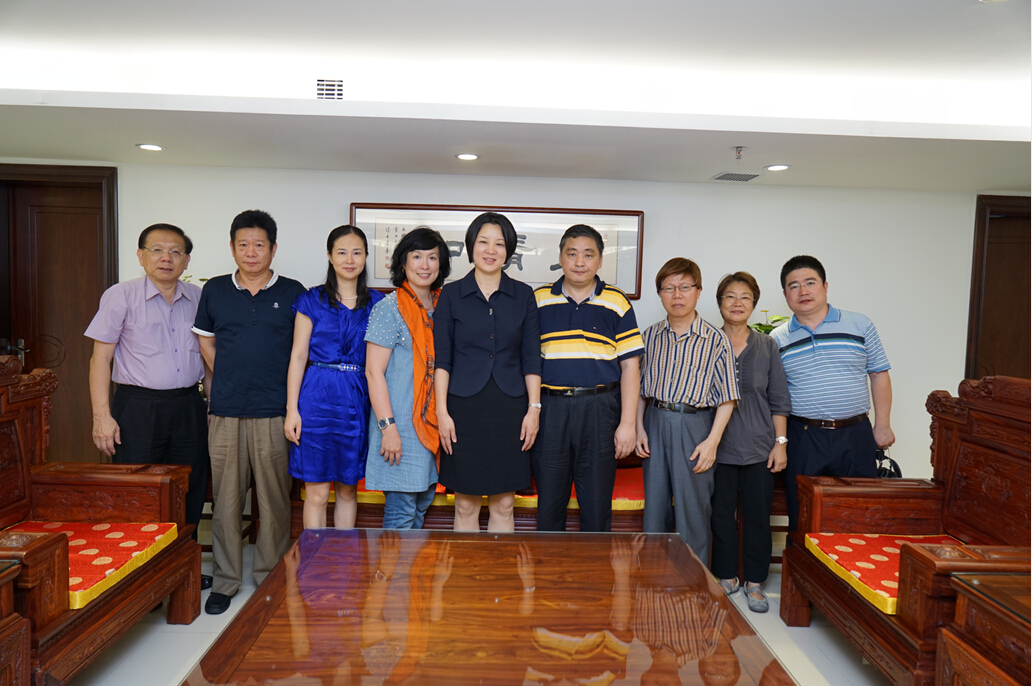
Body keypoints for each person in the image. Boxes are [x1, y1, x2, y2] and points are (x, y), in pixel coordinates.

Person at [85, 223, 212, 589]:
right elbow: (100, 359)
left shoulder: (199, 298)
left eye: (175, 251)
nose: (166, 258)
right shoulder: (120, 296)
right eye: (157, 250)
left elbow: (208, 359)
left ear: (187, 259)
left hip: (188, 404)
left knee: (190, 487)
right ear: (141, 256)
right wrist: (101, 416)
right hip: (137, 407)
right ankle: (140, 579)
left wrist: (212, 407)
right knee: (138, 491)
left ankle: (183, 570)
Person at [192, 209, 306, 615]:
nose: (251, 252)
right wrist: (228, 378)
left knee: (274, 500)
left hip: (275, 411)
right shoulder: (215, 290)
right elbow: (206, 344)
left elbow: (301, 351)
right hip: (226, 410)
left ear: (273, 249)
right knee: (226, 498)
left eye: (259, 244)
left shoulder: (294, 292)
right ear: (232, 247)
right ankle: (225, 581)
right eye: (243, 244)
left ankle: (270, 577)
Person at [770, 255, 894, 537]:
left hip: (855, 434)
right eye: (794, 286)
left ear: (825, 286)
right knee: (803, 516)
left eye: (810, 283)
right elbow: (776, 395)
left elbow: (878, 374)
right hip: (803, 436)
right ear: (785, 295)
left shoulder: (860, 324)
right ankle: (803, 566)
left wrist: (883, 425)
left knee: (858, 515)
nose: (803, 291)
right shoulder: (777, 339)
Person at [434, 212, 542, 531]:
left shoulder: (523, 295)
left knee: (505, 503)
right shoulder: (451, 295)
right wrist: (442, 412)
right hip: (463, 408)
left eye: (499, 243)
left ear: (509, 251)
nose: (490, 250)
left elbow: (531, 358)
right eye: (483, 242)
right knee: (465, 504)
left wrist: (534, 409)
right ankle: (467, 568)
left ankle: (500, 567)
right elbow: (443, 360)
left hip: (510, 408)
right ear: (471, 246)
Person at [533, 224, 643, 533]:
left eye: (588, 254)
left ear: (600, 260)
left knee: (596, 508)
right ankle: (548, 566)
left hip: (600, 409)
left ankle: (596, 567)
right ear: (560, 258)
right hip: (550, 410)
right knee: (549, 506)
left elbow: (630, 367)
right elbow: (527, 363)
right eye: (572, 254)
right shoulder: (539, 300)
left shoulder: (617, 301)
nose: (579, 262)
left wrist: (628, 424)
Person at [635, 257, 738, 564]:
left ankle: (694, 582)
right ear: (660, 293)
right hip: (655, 422)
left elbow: (728, 398)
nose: (677, 295)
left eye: (684, 287)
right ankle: (653, 577)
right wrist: (639, 428)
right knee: (655, 510)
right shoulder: (649, 336)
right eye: (669, 288)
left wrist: (712, 442)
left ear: (698, 291)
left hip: (696, 426)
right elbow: (639, 390)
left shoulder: (716, 339)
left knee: (693, 510)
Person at [284, 225, 384, 530]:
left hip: (358, 399)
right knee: (315, 492)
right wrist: (292, 410)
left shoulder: (379, 303)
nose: (349, 260)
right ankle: (314, 558)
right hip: (316, 398)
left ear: (365, 257)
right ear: (329, 256)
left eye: (357, 252)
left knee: (348, 489)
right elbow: (298, 356)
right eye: (342, 252)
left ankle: (343, 558)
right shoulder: (311, 300)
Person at [709, 272, 791, 613]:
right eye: (730, 296)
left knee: (758, 516)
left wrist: (780, 443)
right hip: (718, 447)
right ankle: (727, 576)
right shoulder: (708, 342)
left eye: (745, 297)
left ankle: (755, 582)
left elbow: (779, 398)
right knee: (720, 515)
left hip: (760, 447)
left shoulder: (767, 345)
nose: (737, 303)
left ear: (754, 304)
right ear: (719, 303)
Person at [365, 227, 451, 529]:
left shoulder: (444, 307)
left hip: (431, 425)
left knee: (420, 509)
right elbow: (373, 372)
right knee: (401, 513)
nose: (424, 265)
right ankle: (394, 564)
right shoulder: (388, 309)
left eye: (432, 258)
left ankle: (407, 564)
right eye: (417, 257)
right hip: (399, 426)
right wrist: (388, 428)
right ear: (403, 263)